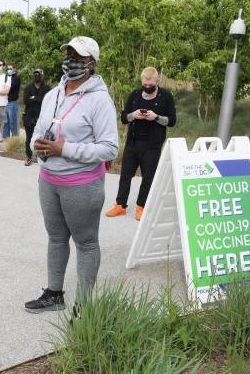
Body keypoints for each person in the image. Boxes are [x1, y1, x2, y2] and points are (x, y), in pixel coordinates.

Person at [24, 36, 118, 314]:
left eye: (78, 56)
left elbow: (110, 148)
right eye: (68, 54)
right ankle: (54, 294)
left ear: (92, 63)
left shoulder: (100, 100)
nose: (71, 60)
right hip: (49, 180)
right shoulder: (53, 94)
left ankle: (85, 306)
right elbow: (38, 132)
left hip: (81, 185)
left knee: (86, 243)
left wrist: (65, 148)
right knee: (55, 238)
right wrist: (37, 146)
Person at [105, 67, 176, 221]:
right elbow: (124, 117)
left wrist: (156, 117)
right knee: (125, 175)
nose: (147, 88)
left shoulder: (166, 97)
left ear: (157, 81)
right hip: (133, 142)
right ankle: (120, 205)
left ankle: (141, 206)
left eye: (150, 85)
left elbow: (171, 121)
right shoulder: (135, 95)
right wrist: (133, 115)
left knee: (148, 177)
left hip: (152, 145)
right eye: (144, 85)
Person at [22, 68, 51, 166]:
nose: (36, 76)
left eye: (38, 74)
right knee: (29, 139)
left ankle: (42, 157)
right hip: (29, 117)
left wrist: (33, 98)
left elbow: (47, 101)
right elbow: (26, 101)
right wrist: (38, 99)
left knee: (43, 139)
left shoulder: (47, 88)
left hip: (42, 117)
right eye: (35, 74)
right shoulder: (28, 88)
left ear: (42, 76)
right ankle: (28, 157)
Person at [3, 63, 21, 139]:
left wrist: (4, 87)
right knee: (5, 123)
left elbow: (10, 88)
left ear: (14, 69)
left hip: (12, 103)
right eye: (8, 69)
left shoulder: (16, 78)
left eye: (10, 69)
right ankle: (6, 139)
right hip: (5, 102)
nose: (9, 70)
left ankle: (14, 140)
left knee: (13, 122)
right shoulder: (6, 77)